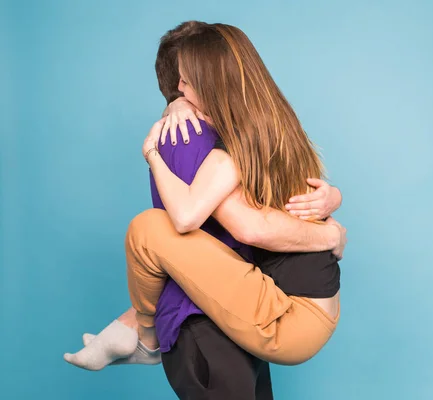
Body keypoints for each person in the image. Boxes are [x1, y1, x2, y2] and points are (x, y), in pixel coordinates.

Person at [64, 21, 345, 399]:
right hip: (272, 311)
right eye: (178, 81)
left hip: (270, 315)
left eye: (188, 81)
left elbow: (239, 225)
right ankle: (137, 328)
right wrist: (334, 227)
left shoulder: (232, 145)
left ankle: (140, 331)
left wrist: (332, 227)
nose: (179, 90)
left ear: (212, 83)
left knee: (149, 227)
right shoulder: (260, 133)